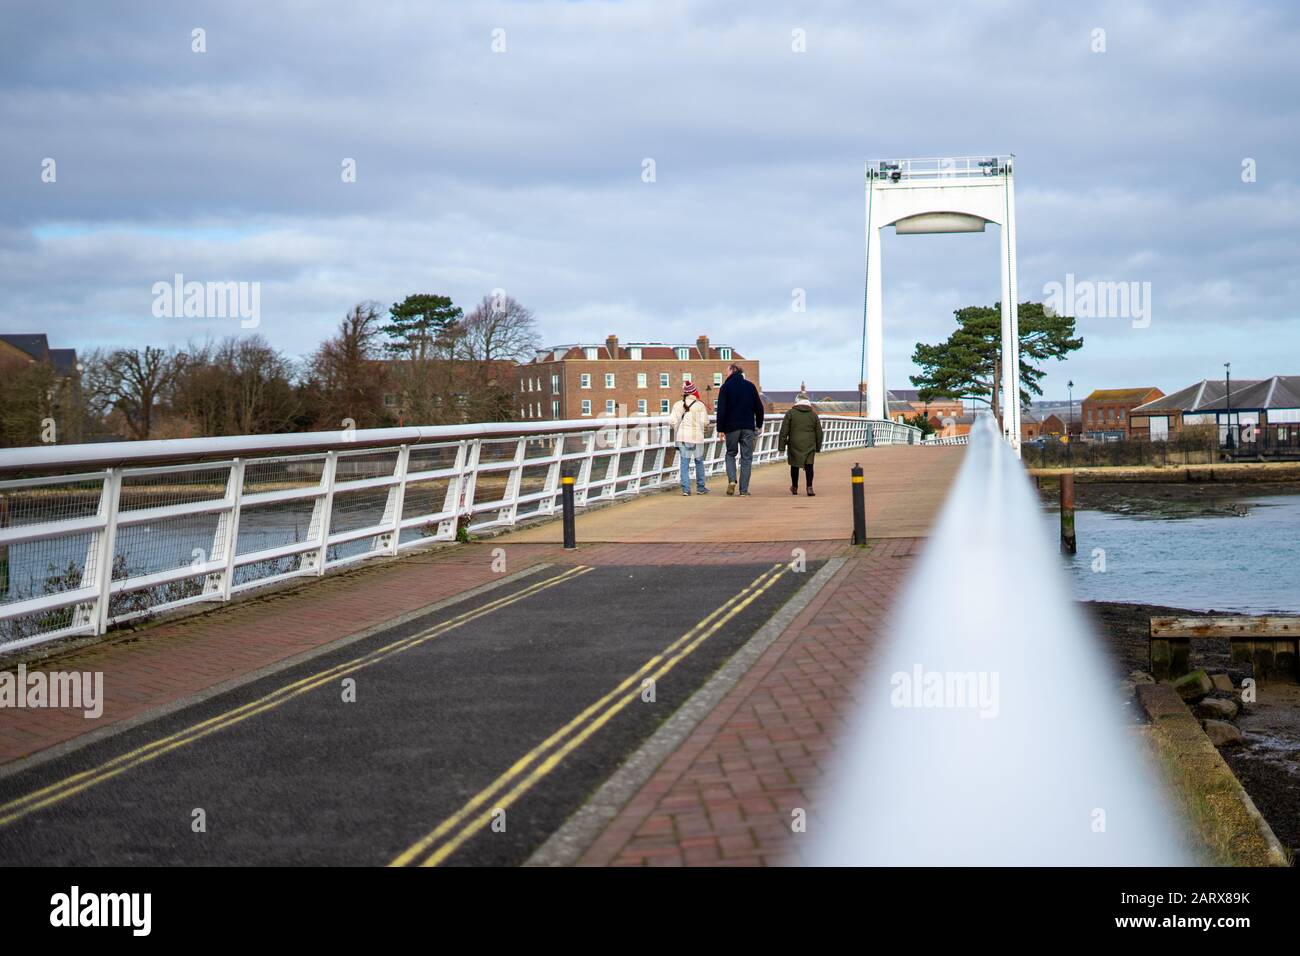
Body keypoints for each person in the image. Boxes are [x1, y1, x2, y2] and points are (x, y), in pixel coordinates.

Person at [714, 363, 764, 497]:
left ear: (732, 371)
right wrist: (758, 425)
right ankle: (743, 490)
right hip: (748, 427)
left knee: (730, 453)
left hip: (731, 428)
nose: (726, 374)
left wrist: (720, 429)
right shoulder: (750, 386)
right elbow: (759, 408)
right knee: (746, 458)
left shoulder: (725, 387)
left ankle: (731, 480)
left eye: (727, 372)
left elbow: (721, 410)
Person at [669, 381, 711, 495]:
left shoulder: (678, 405)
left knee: (684, 463)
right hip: (697, 437)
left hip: (683, 437)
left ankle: (686, 489)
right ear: (694, 392)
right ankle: (700, 488)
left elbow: (672, 421)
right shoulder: (700, 405)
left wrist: (679, 427)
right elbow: (705, 422)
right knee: (699, 462)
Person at [778, 391, 823, 496]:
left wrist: (781, 446)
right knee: (809, 466)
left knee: (794, 466)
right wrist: (818, 447)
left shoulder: (790, 413)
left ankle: (794, 487)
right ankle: (809, 488)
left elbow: (784, 431)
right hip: (810, 444)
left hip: (794, 443)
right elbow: (819, 432)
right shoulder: (813, 415)